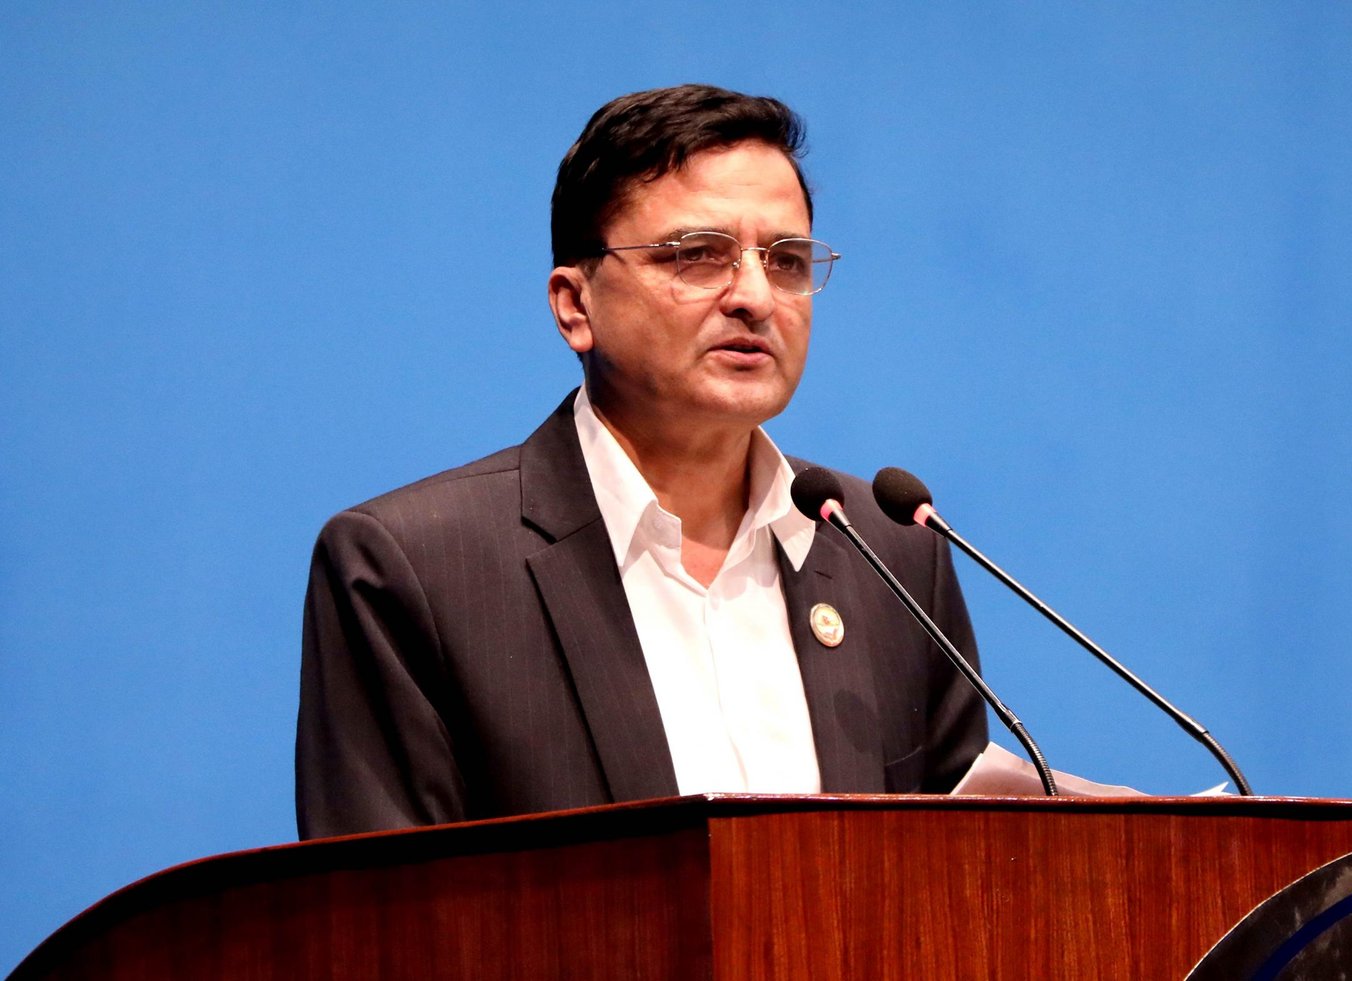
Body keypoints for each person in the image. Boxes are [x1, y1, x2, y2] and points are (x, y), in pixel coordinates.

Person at [295, 84, 987, 840]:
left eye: (786, 260)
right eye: (698, 255)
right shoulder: (415, 569)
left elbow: (965, 871)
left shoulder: (891, 552)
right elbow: (380, 905)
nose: (756, 297)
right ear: (575, 305)